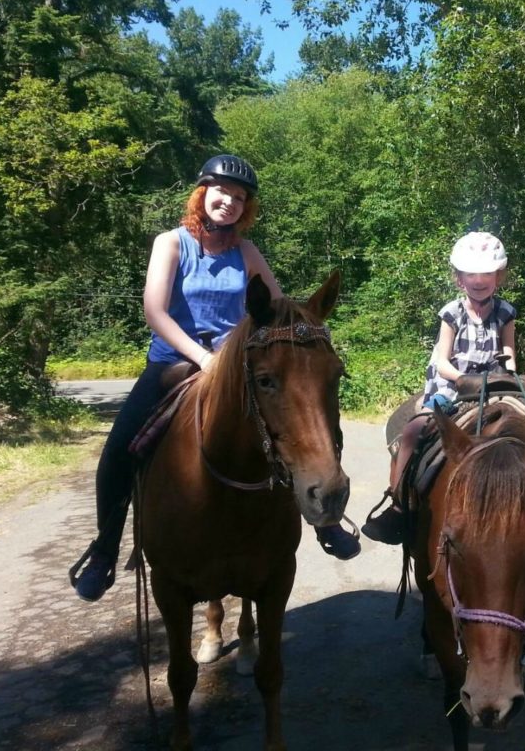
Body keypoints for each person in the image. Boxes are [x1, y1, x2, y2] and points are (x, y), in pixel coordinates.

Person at [71, 154, 359, 603]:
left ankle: (327, 521)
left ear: (247, 208)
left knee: (297, 427)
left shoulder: (246, 252)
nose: (230, 201)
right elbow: (155, 311)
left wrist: (303, 331)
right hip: (173, 365)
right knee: (118, 452)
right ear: (203, 193)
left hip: (236, 369)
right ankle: (105, 549)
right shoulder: (171, 243)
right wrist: (203, 358)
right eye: (223, 192)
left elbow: (278, 310)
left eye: (240, 197)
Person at [362, 232, 517, 544]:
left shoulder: (506, 312)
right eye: (470, 273)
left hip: (494, 383)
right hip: (454, 385)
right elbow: (441, 358)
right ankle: (398, 502)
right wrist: (460, 378)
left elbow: (509, 351)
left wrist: (511, 375)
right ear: (459, 278)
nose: (478, 280)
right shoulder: (453, 312)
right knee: (415, 430)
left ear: (498, 276)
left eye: (486, 273)